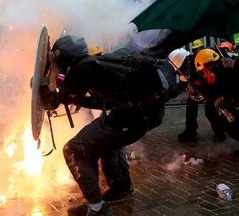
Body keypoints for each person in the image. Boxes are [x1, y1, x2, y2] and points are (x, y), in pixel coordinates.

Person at [40, 35, 177, 216]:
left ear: (63, 55)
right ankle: (117, 188)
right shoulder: (96, 64)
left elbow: (52, 103)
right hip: (138, 120)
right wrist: (77, 97)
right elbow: (106, 103)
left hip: (129, 121)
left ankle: (97, 208)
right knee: (99, 144)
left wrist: (40, 85)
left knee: (73, 150)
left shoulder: (82, 68)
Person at [177, 38, 208, 142]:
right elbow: (185, 79)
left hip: (210, 87)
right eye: (194, 49)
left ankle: (220, 132)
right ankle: (191, 130)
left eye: (198, 49)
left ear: (202, 48)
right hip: (198, 89)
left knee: (211, 111)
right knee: (190, 106)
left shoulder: (206, 57)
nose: (196, 51)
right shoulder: (191, 60)